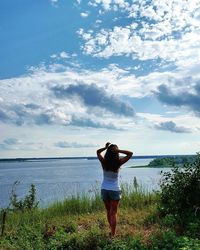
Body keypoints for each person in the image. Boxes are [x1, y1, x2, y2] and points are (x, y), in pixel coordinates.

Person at [96, 142, 133, 238]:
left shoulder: (104, 162)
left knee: (108, 211)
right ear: (116, 153)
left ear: (107, 153)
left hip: (104, 189)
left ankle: (111, 229)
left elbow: (98, 152)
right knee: (114, 212)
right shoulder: (118, 163)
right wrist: (118, 150)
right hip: (114, 190)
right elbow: (130, 154)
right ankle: (113, 234)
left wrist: (105, 147)